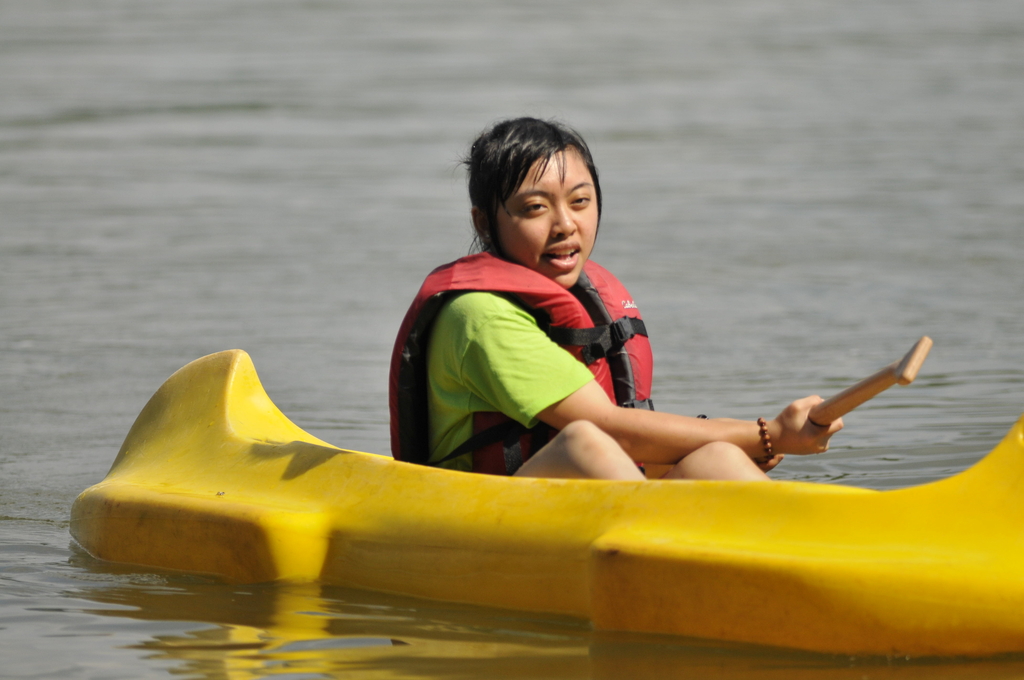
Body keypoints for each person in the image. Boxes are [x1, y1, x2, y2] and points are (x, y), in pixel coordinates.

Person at [389, 117, 841, 481]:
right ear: (485, 223)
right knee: (584, 442)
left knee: (716, 457)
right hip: (482, 523)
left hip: (586, 502)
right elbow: (608, 429)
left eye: (580, 202)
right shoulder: (478, 317)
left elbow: (630, 439)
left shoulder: (581, 297)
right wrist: (769, 435)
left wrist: (736, 446)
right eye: (535, 208)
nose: (565, 225)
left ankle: (808, 548)